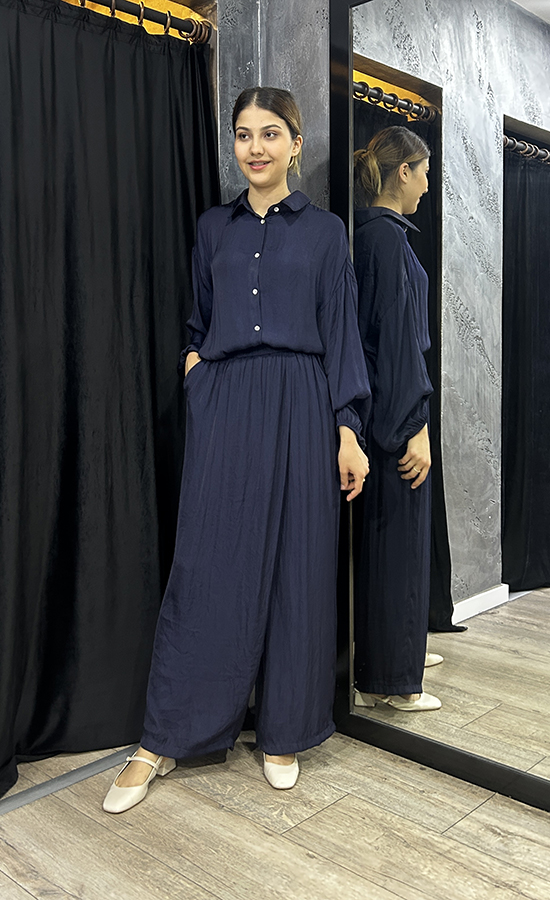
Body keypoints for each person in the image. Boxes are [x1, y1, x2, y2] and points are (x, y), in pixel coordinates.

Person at [103, 87, 371, 813]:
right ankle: (163, 737)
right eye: (244, 134)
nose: (256, 147)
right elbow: (198, 319)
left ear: (296, 143)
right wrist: (197, 373)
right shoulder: (213, 228)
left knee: (297, 566)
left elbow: (342, 332)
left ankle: (284, 730)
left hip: (303, 400)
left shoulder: (326, 233)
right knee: (206, 565)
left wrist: (348, 429)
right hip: (225, 401)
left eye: (271, 133)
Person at [352, 126, 442, 713]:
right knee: (398, 551)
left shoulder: (374, 236)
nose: (428, 185)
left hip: (379, 413)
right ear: (402, 172)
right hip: (394, 420)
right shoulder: (385, 240)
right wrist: (415, 424)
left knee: (388, 551)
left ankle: (394, 658)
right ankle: (394, 682)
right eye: (424, 172)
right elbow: (399, 342)